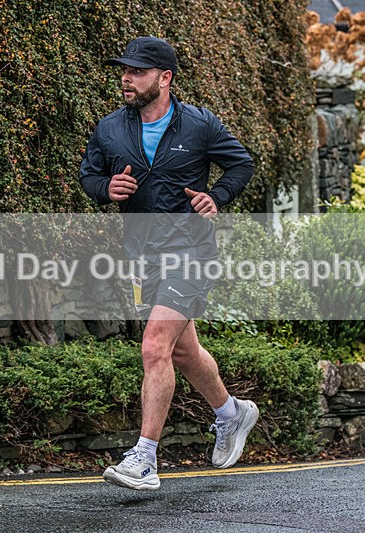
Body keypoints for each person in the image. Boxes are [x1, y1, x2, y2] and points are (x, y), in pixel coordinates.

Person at [79, 36, 258, 491]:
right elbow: (90, 174)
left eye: (137, 71)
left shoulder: (199, 125)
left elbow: (240, 164)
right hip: (143, 255)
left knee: (154, 345)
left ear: (165, 78)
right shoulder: (110, 129)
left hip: (191, 252)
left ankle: (144, 459)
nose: (126, 77)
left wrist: (216, 197)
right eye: (124, 69)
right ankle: (231, 413)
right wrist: (105, 189)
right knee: (182, 350)